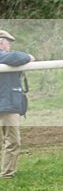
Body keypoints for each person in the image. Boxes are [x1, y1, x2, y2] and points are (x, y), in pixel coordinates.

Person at [0, 29, 34, 179]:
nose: (9, 47)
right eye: (8, 43)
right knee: (13, 141)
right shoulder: (6, 57)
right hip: (7, 105)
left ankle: (7, 173)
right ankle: (7, 174)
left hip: (8, 103)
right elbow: (16, 57)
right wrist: (29, 57)